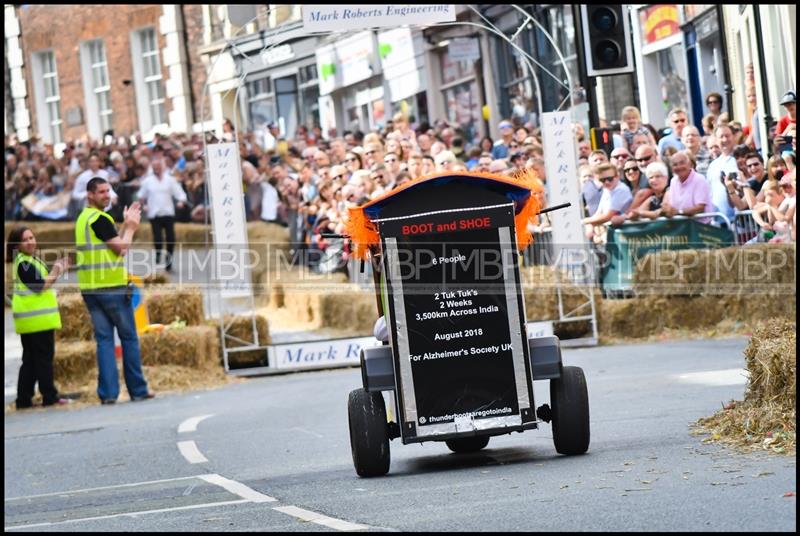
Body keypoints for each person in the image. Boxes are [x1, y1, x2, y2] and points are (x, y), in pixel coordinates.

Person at [76, 177, 154, 405]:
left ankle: (108, 394)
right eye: (101, 192)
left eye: (108, 191)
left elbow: (110, 242)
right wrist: (130, 227)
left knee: (104, 342)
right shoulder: (100, 218)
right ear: (90, 195)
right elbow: (121, 248)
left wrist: (123, 227)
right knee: (129, 337)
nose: (106, 195)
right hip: (111, 289)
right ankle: (138, 390)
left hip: (91, 289)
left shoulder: (83, 219)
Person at [7, 227, 71, 409]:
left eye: (32, 237)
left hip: (32, 321)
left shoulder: (28, 260)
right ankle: (49, 396)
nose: (30, 242)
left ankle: (24, 399)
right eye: (25, 240)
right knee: (42, 359)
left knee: (31, 361)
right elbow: (40, 286)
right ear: (17, 245)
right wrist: (57, 270)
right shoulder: (24, 263)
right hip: (37, 321)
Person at [137, 158, 187, 272]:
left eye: (158, 167)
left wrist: (181, 201)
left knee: (171, 239)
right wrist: (143, 205)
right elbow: (141, 196)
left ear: (162, 167)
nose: (156, 169)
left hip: (168, 213)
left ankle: (168, 262)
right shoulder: (147, 181)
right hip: (154, 214)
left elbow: (179, 193)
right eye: (154, 167)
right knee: (158, 238)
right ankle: (158, 254)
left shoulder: (170, 180)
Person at [582, 162, 632, 240]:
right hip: (610, 233)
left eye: (610, 179)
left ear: (617, 177)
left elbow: (608, 216)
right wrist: (590, 226)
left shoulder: (621, 190)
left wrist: (584, 222)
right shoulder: (607, 190)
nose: (606, 182)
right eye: (602, 180)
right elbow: (599, 213)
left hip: (625, 233)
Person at [661, 150, 714, 224]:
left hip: (701, 227)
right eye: (675, 164)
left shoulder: (699, 179)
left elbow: (700, 208)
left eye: (682, 163)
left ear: (690, 164)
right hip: (681, 226)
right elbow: (671, 206)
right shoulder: (673, 181)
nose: (679, 167)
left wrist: (678, 212)